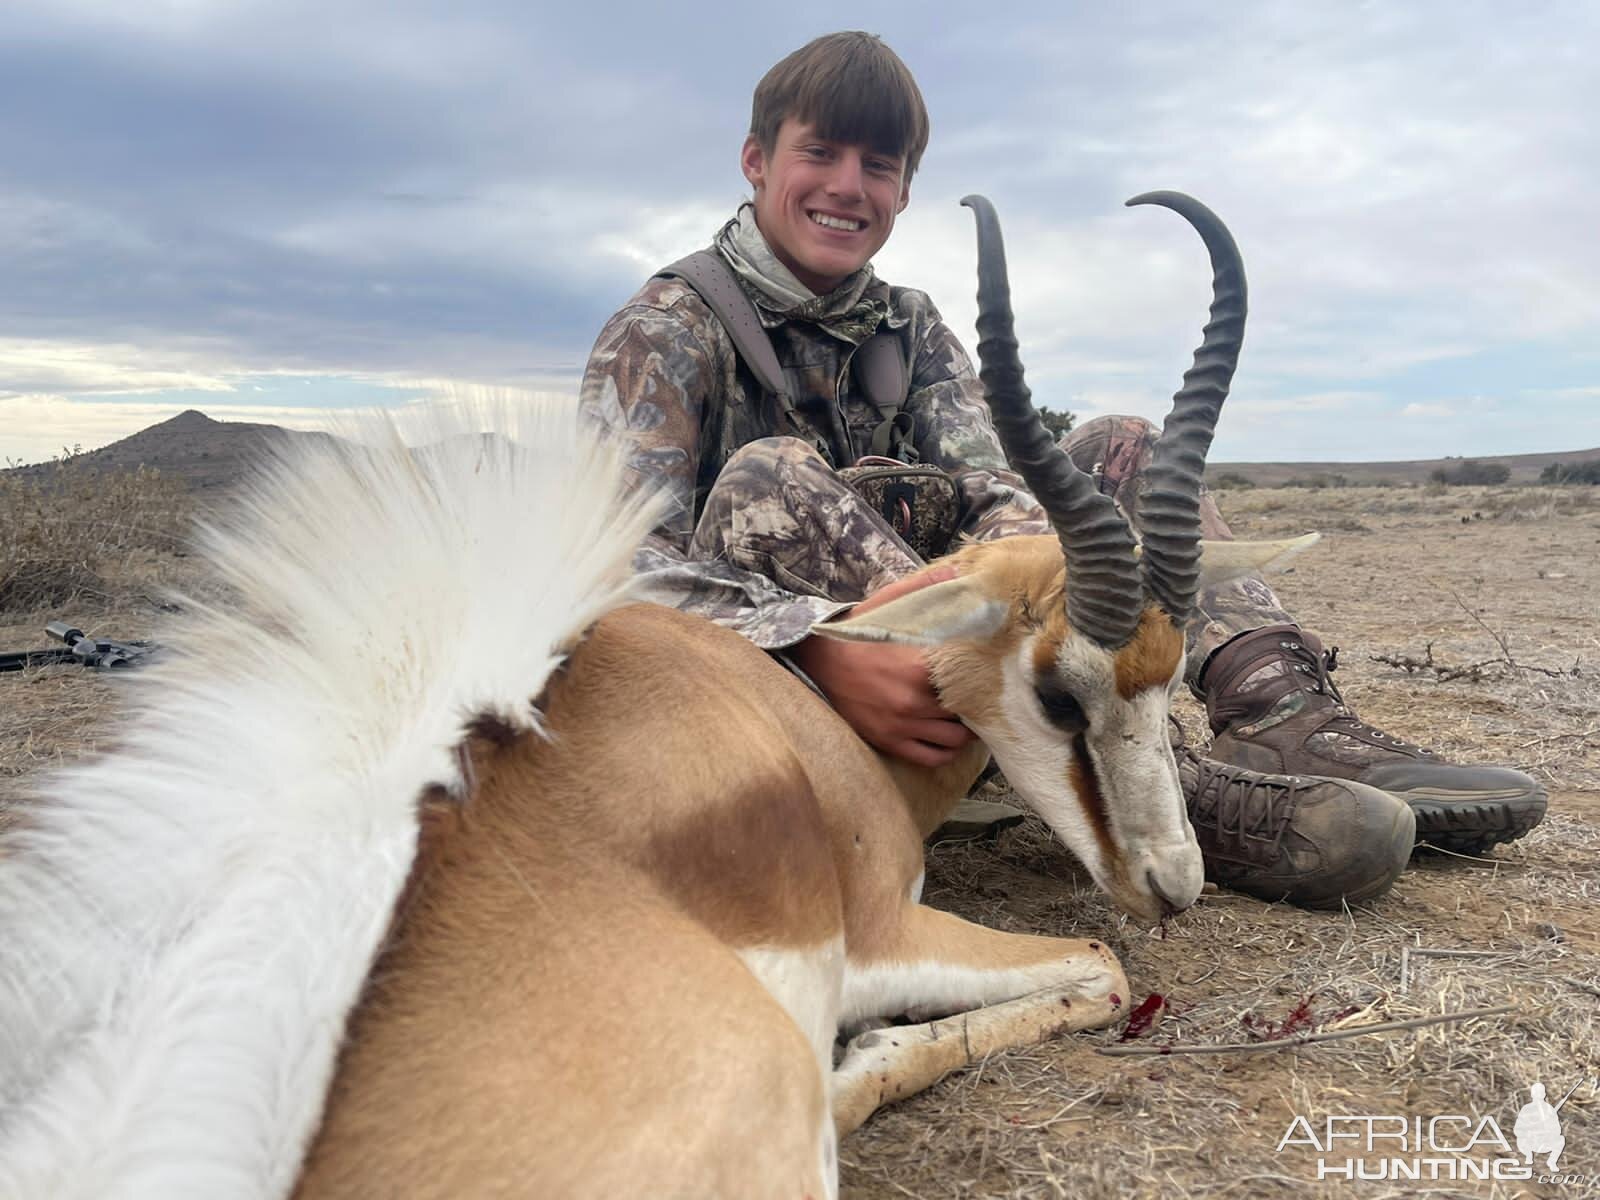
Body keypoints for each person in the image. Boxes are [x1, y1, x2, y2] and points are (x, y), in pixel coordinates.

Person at [578, 31, 1546, 908]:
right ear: (755, 162)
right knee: (764, 482)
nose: (848, 186)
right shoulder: (666, 329)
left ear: (905, 190)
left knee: (1125, 446)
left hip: (988, 684)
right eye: (819, 153)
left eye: (878, 165)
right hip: (789, 701)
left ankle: (1280, 717)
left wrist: (1073, 604)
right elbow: (612, 576)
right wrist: (816, 646)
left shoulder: (907, 327)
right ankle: (1192, 798)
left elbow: (997, 496)